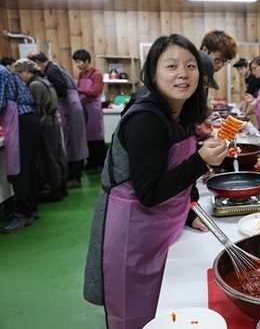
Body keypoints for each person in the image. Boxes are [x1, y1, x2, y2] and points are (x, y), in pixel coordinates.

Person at [83, 34, 228, 328]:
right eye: (171, 66)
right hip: (132, 229)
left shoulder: (178, 112)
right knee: (135, 311)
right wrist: (201, 161)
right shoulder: (146, 119)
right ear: (152, 73)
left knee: (162, 307)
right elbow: (149, 192)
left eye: (190, 66)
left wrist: (189, 210)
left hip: (161, 225)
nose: (183, 74)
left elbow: (169, 170)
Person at [27, 51, 88, 188]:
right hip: (71, 107)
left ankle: (74, 178)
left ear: (38, 63)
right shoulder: (54, 67)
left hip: (70, 108)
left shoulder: (52, 70)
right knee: (71, 143)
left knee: (74, 143)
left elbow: (62, 90)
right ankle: (69, 177)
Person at [13, 59, 67, 202]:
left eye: (19, 74)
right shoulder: (44, 80)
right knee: (57, 154)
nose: (19, 77)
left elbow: (36, 108)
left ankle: (56, 190)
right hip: (53, 121)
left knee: (48, 157)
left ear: (25, 72)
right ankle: (62, 186)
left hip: (45, 124)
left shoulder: (35, 85)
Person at [0, 62, 41, 233]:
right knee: (29, 167)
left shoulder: (0, 73)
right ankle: (31, 208)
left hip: (20, 121)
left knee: (19, 169)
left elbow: (0, 103)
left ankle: (23, 213)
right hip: (28, 119)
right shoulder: (5, 71)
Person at [73, 49, 105, 174]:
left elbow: (96, 91)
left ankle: (100, 163)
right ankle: (91, 162)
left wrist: (79, 90)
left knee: (96, 136)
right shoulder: (81, 74)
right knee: (86, 136)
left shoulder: (96, 74)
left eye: (79, 62)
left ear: (87, 61)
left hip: (93, 108)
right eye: (76, 62)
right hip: (83, 107)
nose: (77, 65)